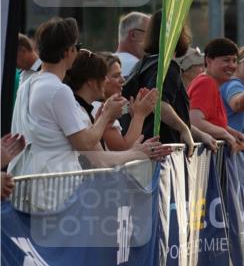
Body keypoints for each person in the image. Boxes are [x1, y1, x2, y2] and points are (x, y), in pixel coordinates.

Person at [9, 18, 167, 189]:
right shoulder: (58, 90)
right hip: (54, 193)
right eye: (77, 47)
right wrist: (107, 116)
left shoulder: (27, 84)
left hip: (27, 186)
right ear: (68, 51)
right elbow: (85, 144)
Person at [121, 10, 217, 154]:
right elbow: (159, 103)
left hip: (147, 149)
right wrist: (183, 129)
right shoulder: (166, 66)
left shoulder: (144, 64)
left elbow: (171, 116)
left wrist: (200, 134)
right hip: (161, 153)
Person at [188, 38, 244, 152]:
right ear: (209, 61)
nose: (231, 65)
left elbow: (211, 121)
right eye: (226, 60)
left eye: (234, 60)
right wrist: (225, 134)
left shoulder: (212, 84)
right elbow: (194, 122)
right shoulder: (206, 83)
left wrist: (232, 133)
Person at [95, 52, 158, 151]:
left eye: (121, 75)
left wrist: (134, 115)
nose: (123, 80)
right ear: (100, 80)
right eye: (116, 76)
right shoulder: (97, 108)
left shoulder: (104, 106)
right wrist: (139, 115)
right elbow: (123, 148)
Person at [115, 12, 150, 77]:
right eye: (149, 33)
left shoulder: (103, 63)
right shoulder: (140, 67)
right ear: (133, 35)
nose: (151, 39)